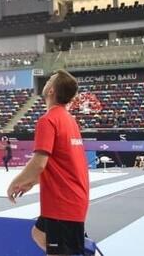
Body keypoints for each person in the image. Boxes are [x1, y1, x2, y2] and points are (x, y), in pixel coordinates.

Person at [7, 70, 89, 256]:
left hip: (63, 204)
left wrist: (15, 182)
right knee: (38, 234)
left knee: (60, 252)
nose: (47, 82)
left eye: (50, 80)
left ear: (51, 91)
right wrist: (31, 182)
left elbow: (39, 163)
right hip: (71, 199)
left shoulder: (48, 120)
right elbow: (60, 164)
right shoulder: (69, 120)